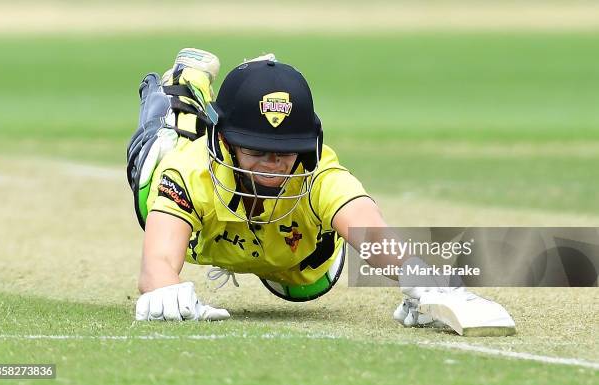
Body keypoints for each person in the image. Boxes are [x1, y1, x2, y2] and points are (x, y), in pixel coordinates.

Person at [127, 48, 515, 335]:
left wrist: (427, 283)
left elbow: (372, 231)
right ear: (225, 143)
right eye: (255, 150)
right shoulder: (189, 170)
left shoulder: (320, 173)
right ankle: (182, 90)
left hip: (290, 254)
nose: (271, 165)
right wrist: (166, 289)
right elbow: (155, 266)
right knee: (151, 168)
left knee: (309, 285)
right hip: (204, 237)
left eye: (283, 151)